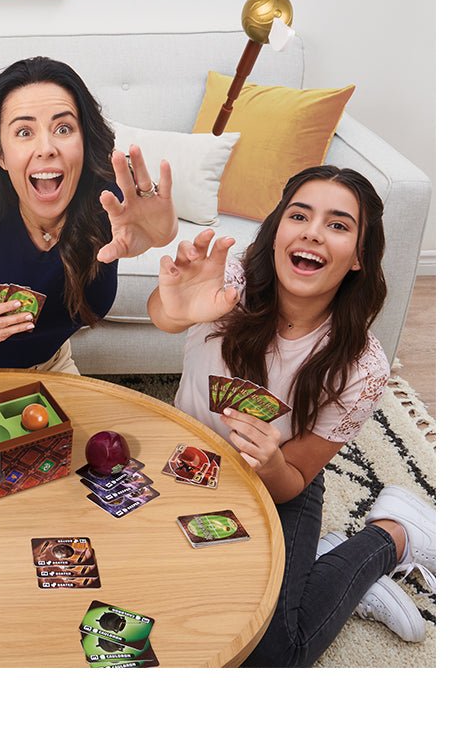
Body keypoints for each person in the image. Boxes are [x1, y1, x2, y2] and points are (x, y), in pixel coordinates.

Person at [148, 165, 436, 666]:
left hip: (278, 486)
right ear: (278, 229)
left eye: (338, 224)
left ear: (359, 257)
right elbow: (166, 314)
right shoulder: (230, 280)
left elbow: (296, 478)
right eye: (299, 215)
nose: (312, 232)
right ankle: (320, 567)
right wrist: (176, 308)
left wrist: (270, 465)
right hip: (185, 463)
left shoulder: (362, 367)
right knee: (163, 594)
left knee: (273, 654)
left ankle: (389, 537)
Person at [0, 56, 178, 376]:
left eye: (63, 128)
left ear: (84, 141)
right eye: (24, 132)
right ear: (1, 154)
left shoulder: (110, 206)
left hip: (52, 364)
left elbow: (153, 235)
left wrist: (164, 235)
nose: (46, 148)